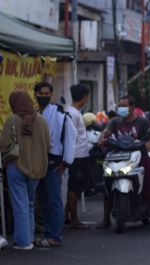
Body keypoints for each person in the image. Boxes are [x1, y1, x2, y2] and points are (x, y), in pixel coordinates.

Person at [100, 95, 150, 229]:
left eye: (124, 106)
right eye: (120, 105)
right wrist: (103, 138)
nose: (121, 108)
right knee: (107, 182)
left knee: (149, 184)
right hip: (118, 155)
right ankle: (105, 219)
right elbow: (106, 132)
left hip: (139, 156)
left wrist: (148, 144)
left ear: (132, 107)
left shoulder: (142, 122)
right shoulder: (115, 121)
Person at [0, 91, 50, 250]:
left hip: (17, 166)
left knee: (19, 204)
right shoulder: (42, 120)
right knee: (29, 203)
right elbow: (48, 143)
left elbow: (3, 144)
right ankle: (29, 236)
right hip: (38, 167)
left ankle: (23, 241)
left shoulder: (12, 120)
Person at [34, 81, 76, 248]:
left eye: (47, 93)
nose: (44, 96)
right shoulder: (34, 113)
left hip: (54, 161)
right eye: (41, 93)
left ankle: (55, 236)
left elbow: (70, 137)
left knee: (54, 200)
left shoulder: (59, 113)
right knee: (43, 200)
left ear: (51, 95)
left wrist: (66, 161)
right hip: (38, 161)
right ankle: (48, 233)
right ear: (35, 94)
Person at [65, 84, 92, 230]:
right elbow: (71, 136)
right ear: (83, 97)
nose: (87, 99)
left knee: (77, 187)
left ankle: (66, 215)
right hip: (77, 156)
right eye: (87, 96)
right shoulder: (73, 114)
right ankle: (74, 219)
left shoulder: (74, 112)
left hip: (81, 154)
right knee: (74, 188)